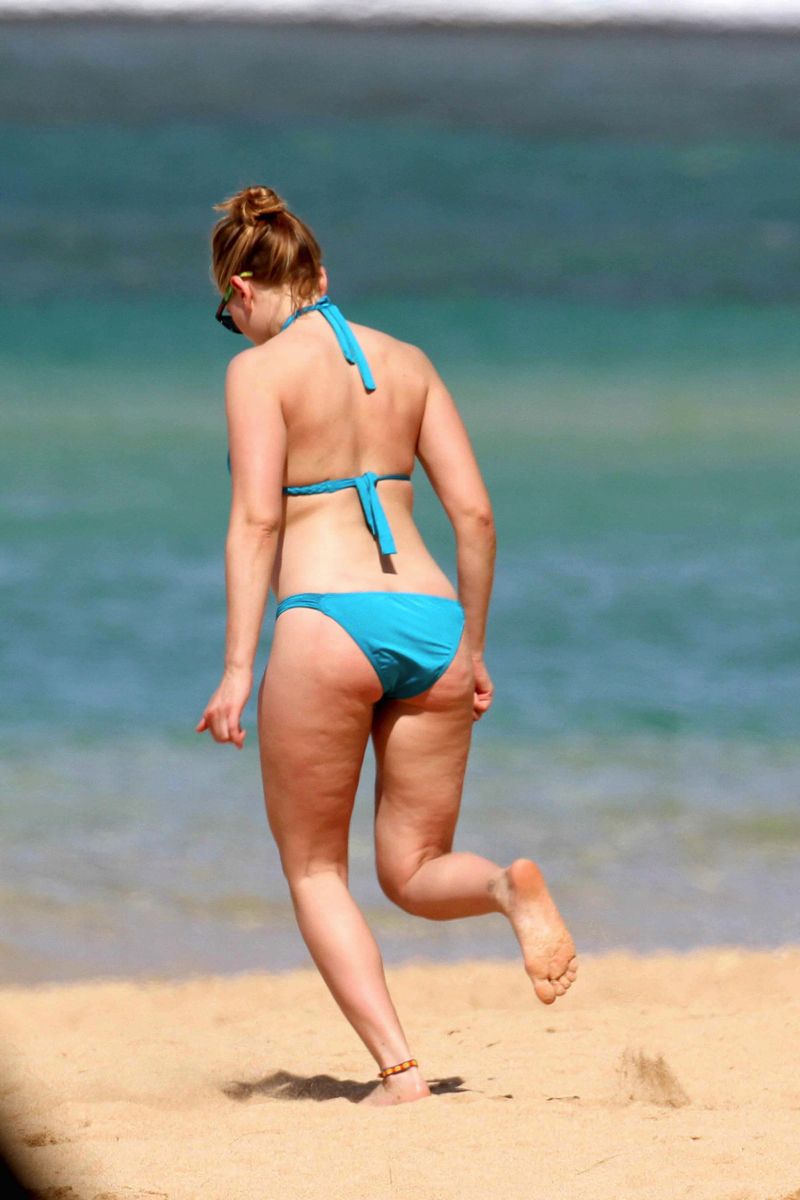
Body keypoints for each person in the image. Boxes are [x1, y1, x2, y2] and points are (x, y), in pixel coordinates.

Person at [195, 185, 578, 1107]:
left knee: (314, 868)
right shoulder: (410, 362)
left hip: (326, 621)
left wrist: (238, 667)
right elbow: (476, 516)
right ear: (321, 276)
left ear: (242, 289)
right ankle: (504, 887)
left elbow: (256, 522)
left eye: (225, 311)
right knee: (412, 870)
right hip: (434, 620)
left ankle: (401, 1074)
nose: (232, 326)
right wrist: (473, 647)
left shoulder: (258, 373)